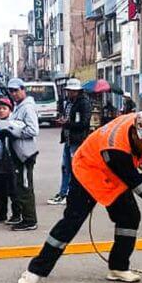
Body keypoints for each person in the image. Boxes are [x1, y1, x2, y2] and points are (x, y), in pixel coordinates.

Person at [17, 111, 142, 283]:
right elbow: (141, 188)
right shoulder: (116, 151)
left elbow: (135, 158)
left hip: (112, 173)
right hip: (88, 170)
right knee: (72, 222)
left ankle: (118, 267)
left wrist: (141, 158)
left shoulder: (141, 119)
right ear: (134, 133)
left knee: (129, 217)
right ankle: (34, 271)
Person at [49, 78, 91, 206]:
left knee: (74, 169)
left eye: (72, 91)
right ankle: (63, 192)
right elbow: (68, 118)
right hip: (68, 140)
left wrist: (67, 123)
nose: (70, 93)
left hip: (77, 141)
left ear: (78, 91)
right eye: (69, 91)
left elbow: (84, 123)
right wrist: (64, 121)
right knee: (65, 168)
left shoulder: (83, 103)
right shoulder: (69, 103)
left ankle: (72, 194)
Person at [5, 78, 40, 231]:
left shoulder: (27, 108)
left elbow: (33, 130)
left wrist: (14, 132)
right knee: (20, 186)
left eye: (15, 90)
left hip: (26, 154)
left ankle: (30, 220)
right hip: (19, 154)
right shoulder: (18, 107)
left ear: (22, 89)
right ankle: (25, 218)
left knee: (25, 187)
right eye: (11, 91)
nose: (13, 94)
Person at [0, 96, 20, 223]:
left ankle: (16, 214)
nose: (1, 111)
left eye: (4, 108)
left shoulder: (12, 124)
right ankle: (2, 213)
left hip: (8, 162)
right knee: (0, 189)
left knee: (12, 189)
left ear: (10, 110)